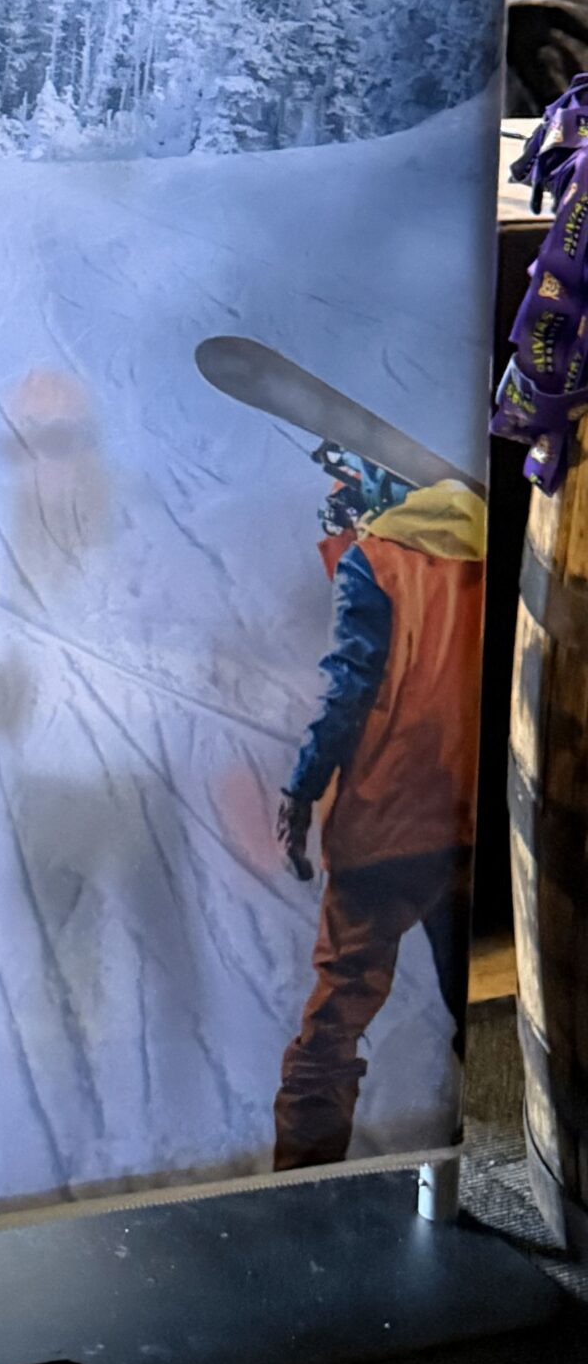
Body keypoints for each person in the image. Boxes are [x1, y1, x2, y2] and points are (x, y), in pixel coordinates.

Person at [272, 455, 486, 1172]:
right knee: (479, 1007)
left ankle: (300, 1193)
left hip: (386, 825)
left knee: (332, 1030)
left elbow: (351, 684)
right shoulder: (489, 545)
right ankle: (501, 1156)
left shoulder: (377, 560)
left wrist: (301, 791)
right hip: (468, 818)